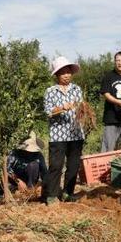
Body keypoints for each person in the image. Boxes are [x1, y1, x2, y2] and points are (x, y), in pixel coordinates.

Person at [42, 56, 85, 205]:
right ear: (56, 75)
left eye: (68, 72)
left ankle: (68, 193)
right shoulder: (50, 91)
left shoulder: (77, 89)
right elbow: (47, 112)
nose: (66, 75)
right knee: (56, 166)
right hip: (58, 135)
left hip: (76, 133)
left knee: (73, 166)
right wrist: (62, 108)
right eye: (62, 72)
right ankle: (52, 195)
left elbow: (81, 109)